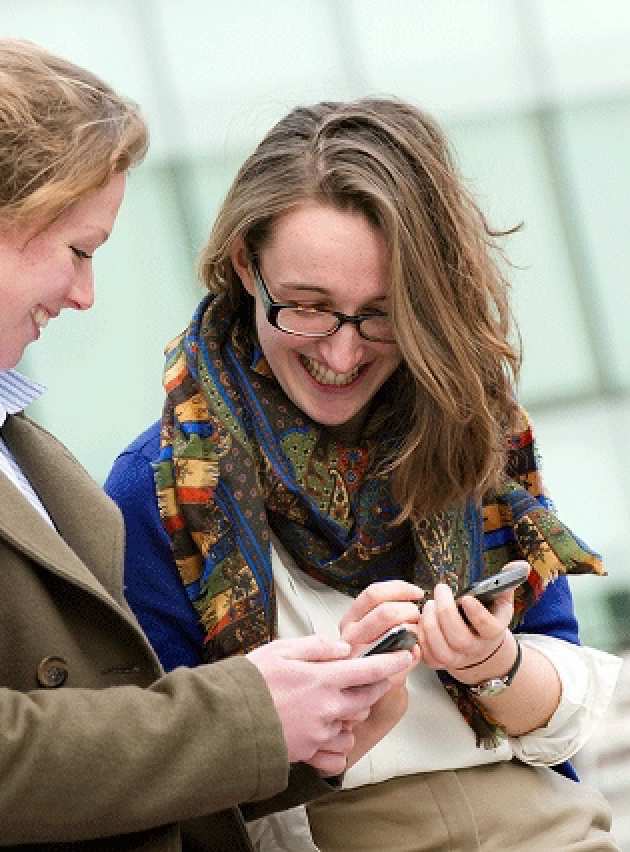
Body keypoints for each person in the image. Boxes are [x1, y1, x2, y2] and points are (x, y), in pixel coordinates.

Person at [106, 97, 622, 851]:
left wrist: (493, 664)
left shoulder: (471, 433)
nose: (342, 355)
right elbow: (167, 775)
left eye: (380, 315)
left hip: (541, 823)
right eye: (309, 309)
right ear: (247, 266)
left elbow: (556, 703)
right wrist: (319, 702)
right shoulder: (157, 490)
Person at [0, 43, 415, 852]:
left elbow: (115, 758)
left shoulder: (31, 451)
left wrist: (309, 726)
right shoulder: (145, 481)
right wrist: (252, 714)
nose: (85, 295)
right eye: (78, 250)